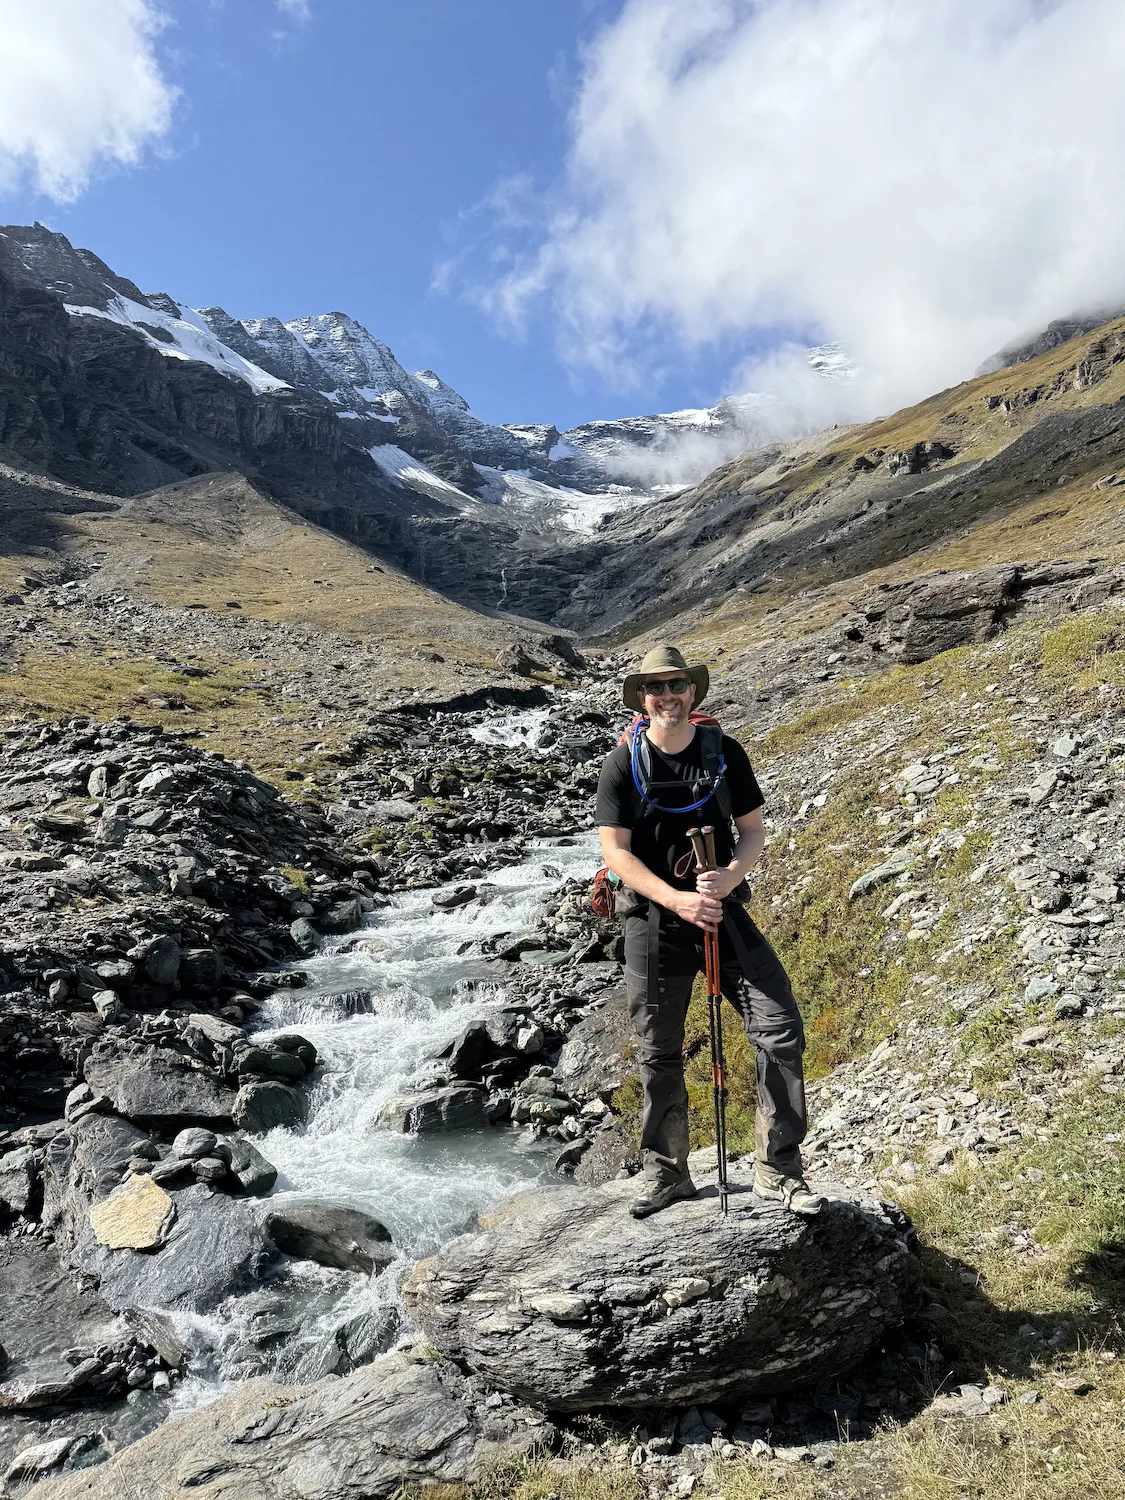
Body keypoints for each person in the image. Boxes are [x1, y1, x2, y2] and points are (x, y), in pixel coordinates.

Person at [595, 644, 823, 1219]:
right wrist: (676, 899)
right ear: (642, 698)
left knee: (779, 1027)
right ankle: (668, 1173)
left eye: (677, 685)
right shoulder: (623, 762)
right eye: (656, 687)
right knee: (658, 1051)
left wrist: (729, 878)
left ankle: (778, 1170)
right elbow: (614, 853)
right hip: (654, 920)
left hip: (720, 913)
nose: (667, 695)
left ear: (692, 692)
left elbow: (751, 831)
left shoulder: (724, 753)